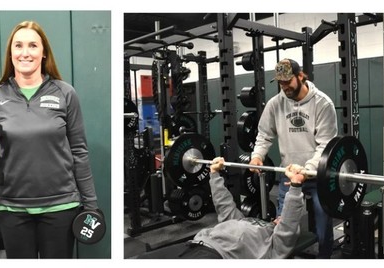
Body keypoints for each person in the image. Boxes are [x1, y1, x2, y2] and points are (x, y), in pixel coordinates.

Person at [0, 21, 99, 259]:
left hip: (61, 205)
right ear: (11, 53)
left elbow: (79, 151)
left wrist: (90, 205)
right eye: (18, 45)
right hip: (12, 206)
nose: (25, 52)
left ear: (44, 53)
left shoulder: (64, 93)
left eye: (32, 45)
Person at [248, 58, 338, 258]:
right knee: (284, 229)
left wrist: (306, 169)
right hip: (288, 176)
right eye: (280, 82)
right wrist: (257, 156)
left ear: (300, 76)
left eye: (288, 81)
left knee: (323, 230)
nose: (284, 86)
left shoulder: (323, 104)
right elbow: (264, 135)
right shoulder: (275, 104)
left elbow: (325, 145)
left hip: (318, 176)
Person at [137, 157, 306, 259]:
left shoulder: (273, 245)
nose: (280, 218)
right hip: (193, 244)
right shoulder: (243, 220)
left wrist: (296, 185)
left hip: (219, 256)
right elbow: (224, 204)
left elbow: (289, 225)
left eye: (281, 221)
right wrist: (214, 173)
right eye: (280, 217)